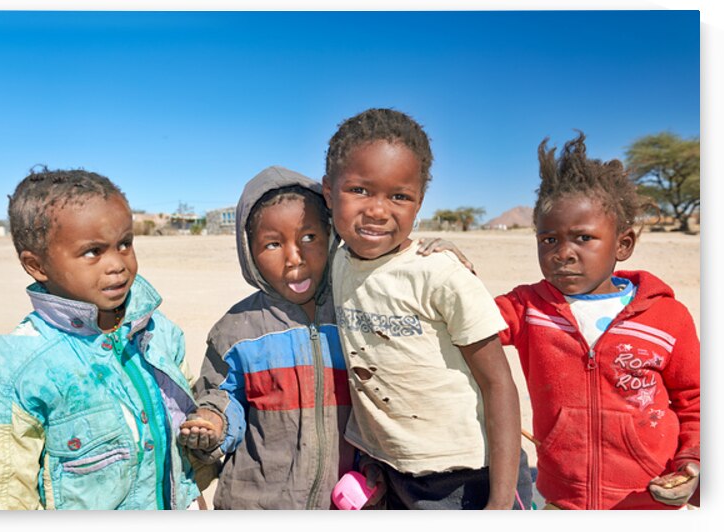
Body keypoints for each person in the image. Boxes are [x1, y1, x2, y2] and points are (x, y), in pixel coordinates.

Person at [321, 108, 532, 510]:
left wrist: (500, 504)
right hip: (391, 469)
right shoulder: (337, 261)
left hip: (468, 476)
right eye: (360, 190)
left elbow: (499, 384)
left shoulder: (440, 274)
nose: (379, 210)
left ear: (419, 203)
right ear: (330, 193)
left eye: (399, 196)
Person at [0, 167, 205, 510]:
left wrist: (193, 497)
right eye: (93, 251)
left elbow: (183, 434)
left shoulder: (159, 332)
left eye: (125, 244)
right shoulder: (18, 364)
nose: (117, 264)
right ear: (37, 266)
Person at [491, 133, 700, 509]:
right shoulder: (528, 307)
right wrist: (453, 268)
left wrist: (693, 461)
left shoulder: (668, 318)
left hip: (650, 499)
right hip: (563, 499)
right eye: (549, 240)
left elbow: (697, 401)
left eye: (583, 238)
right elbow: (468, 317)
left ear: (623, 244)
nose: (563, 254)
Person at [177, 166, 356, 509]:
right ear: (250, 253)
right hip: (257, 503)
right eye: (273, 244)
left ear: (332, 235)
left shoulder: (354, 311)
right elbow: (220, 395)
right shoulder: (236, 330)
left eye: (309, 238)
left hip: (346, 501)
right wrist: (213, 422)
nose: (294, 258)